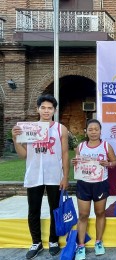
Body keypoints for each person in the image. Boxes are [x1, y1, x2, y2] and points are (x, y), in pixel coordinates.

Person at [11, 94, 69, 259]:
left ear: (54, 110)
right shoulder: (28, 128)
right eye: (43, 107)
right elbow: (23, 155)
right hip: (34, 174)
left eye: (50, 108)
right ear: (37, 109)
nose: (46, 110)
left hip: (54, 175)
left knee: (55, 210)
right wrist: (16, 139)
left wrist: (65, 176)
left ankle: (53, 241)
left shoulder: (60, 129)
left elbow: (65, 153)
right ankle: (36, 242)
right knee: (33, 210)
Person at [71, 119, 116, 260]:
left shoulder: (105, 146)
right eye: (90, 129)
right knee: (83, 215)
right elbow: (78, 164)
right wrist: (75, 162)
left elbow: (114, 162)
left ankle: (98, 242)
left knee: (100, 213)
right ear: (86, 131)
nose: (93, 132)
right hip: (84, 184)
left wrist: (108, 163)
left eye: (96, 129)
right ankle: (81, 245)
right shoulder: (80, 146)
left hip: (100, 184)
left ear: (100, 131)